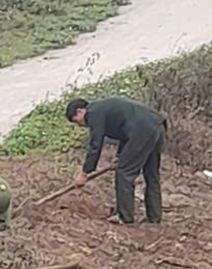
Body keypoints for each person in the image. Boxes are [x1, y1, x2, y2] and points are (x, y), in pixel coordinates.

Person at [66, 96, 167, 225]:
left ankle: (125, 217)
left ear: (80, 111)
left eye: (76, 121)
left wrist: (85, 173)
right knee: (151, 173)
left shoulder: (93, 113)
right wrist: (119, 155)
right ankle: (154, 217)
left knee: (124, 172)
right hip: (157, 125)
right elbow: (125, 129)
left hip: (142, 131)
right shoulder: (104, 107)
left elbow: (95, 144)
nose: (80, 125)